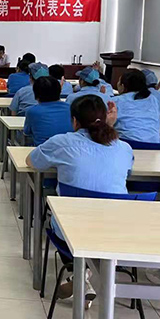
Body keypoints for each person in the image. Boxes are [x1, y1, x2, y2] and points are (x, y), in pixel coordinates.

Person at [26, 95, 134, 302]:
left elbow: (31, 162)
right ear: (105, 118)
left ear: (74, 121)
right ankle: (83, 274)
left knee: (59, 214)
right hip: (116, 228)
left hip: (72, 228)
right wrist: (109, 127)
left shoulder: (62, 142)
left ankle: (81, 274)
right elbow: (127, 169)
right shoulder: (124, 148)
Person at [114, 68, 160, 143]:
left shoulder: (116, 101)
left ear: (122, 86)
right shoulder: (153, 99)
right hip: (155, 145)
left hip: (129, 144)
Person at [24, 75, 73, 146]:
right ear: (59, 91)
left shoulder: (32, 111)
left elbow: (27, 132)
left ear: (35, 95)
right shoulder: (71, 108)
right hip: (69, 148)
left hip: (43, 149)